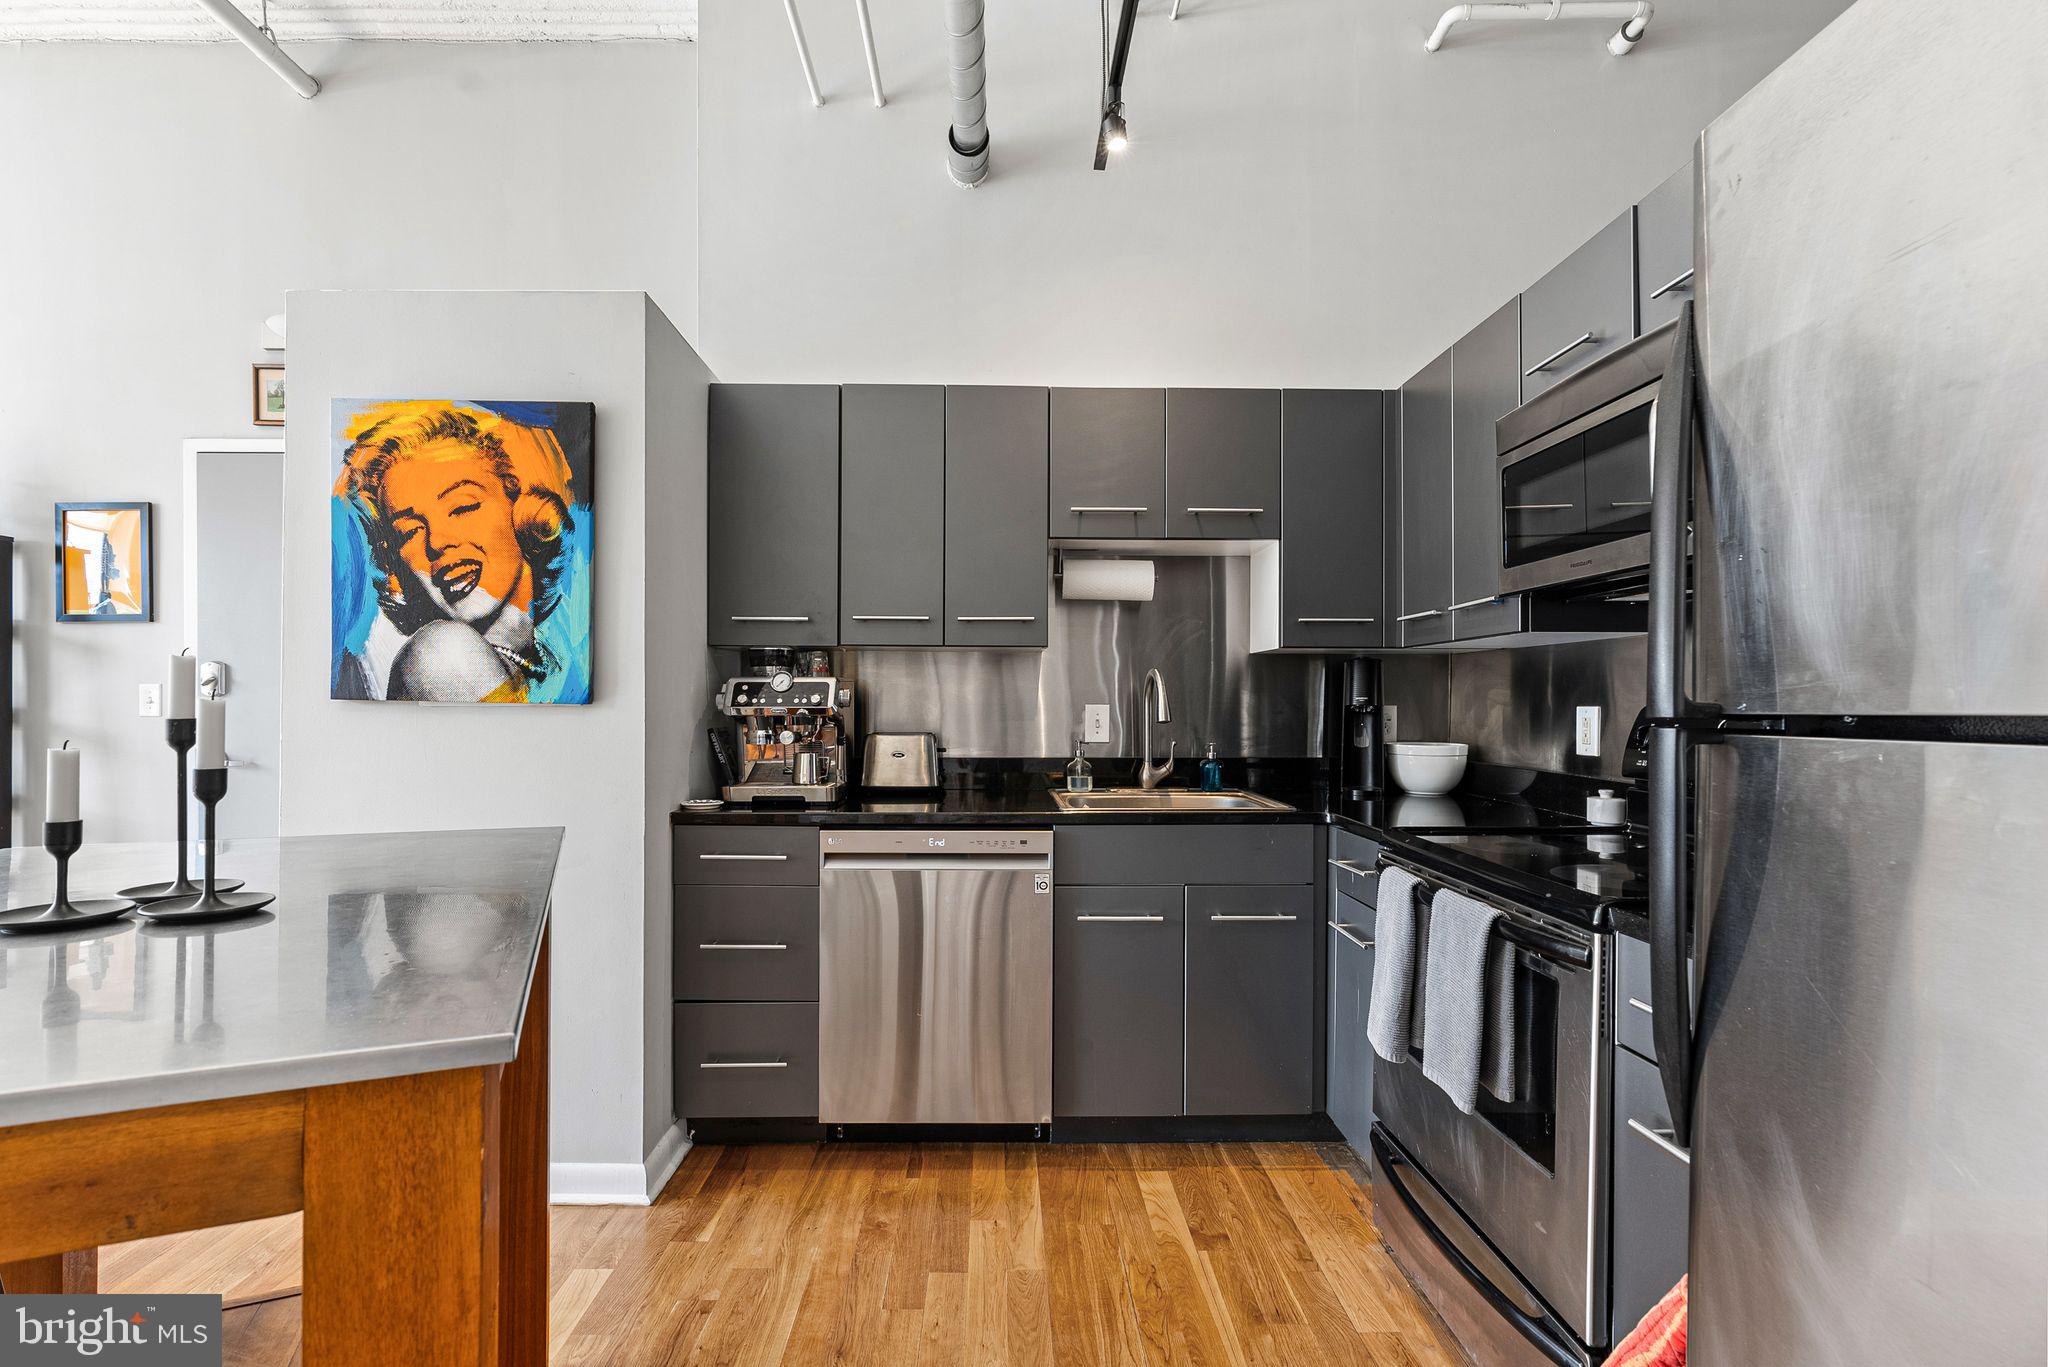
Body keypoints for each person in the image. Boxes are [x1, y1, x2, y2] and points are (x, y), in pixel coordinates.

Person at [333, 403, 576, 702]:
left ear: (514, 503)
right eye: (410, 532)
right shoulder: (441, 653)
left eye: (462, 507)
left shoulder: (550, 660)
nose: (436, 543)